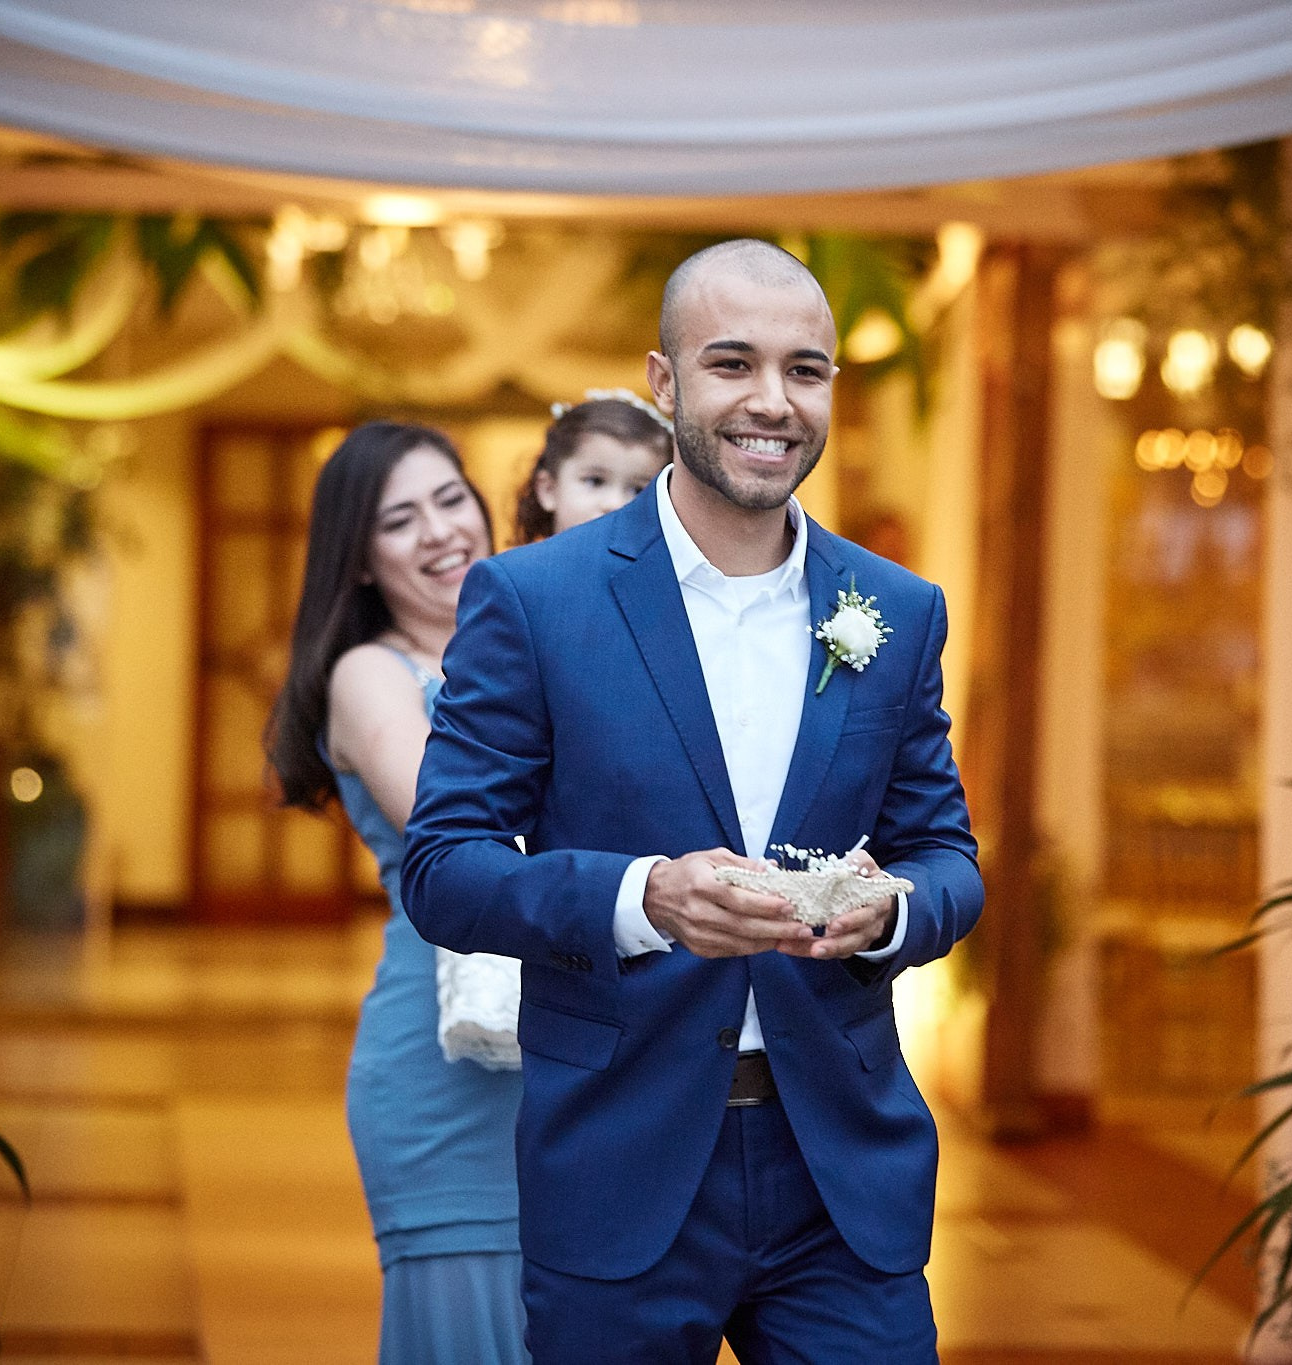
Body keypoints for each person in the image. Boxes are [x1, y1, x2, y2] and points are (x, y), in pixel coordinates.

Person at [403, 239, 982, 1363]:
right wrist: (642, 898)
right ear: (664, 385)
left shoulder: (896, 611)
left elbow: (945, 855)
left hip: (841, 1178)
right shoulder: (534, 600)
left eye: (804, 371)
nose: (772, 402)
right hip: (617, 1160)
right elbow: (444, 867)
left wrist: (897, 913)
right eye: (732, 364)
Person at [265, 422, 525, 1363]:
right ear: (363, 561)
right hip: (445, 1072)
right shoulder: (370, 672)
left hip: (572, 1056)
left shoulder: (532, 643)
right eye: (399, 521)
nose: (440, 533)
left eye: (451, 499)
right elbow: (450, 814)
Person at [513, 389, 673, 545]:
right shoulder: (513, 570)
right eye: (595, 481)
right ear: (548, 489)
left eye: (638, 490)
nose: (615, 504)